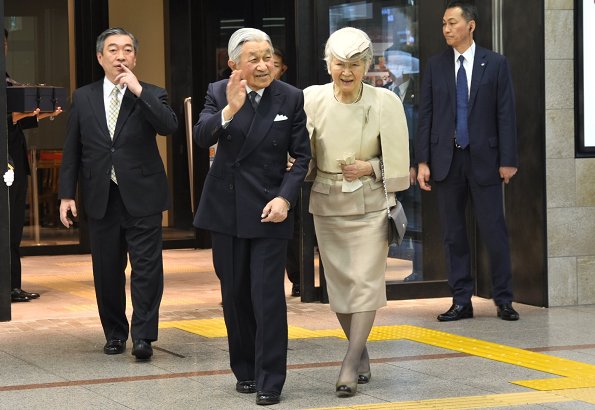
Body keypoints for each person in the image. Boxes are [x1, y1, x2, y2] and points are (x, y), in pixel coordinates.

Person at [193, 28, 310, 406]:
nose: (264, 65)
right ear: (234, 65)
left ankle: (270, 380)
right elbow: (200, 137)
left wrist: (285, 199)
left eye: (268, 57)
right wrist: (229, 109)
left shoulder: (290, 97)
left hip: (269, 211)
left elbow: (302, 157)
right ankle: (244, 370)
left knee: (268, 298)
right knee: (236, 295)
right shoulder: (217, 92)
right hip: (225, 210)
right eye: (254, 59)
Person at [58, 27, 178, 360]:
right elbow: (72, 150)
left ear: (135, 57)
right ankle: (114, 333)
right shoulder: (83, 97)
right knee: (107, 270)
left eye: (127, 50)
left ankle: (143, 336)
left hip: (143, 195)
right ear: (100, 57)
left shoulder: (152, 93)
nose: (120, 56)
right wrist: (67, 195)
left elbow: (169, 126)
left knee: (146, 269)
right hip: (101, 196)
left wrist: (139, 90)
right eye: (112, 50)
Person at [304, 27, 409, 397]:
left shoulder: (385, 102)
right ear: (327, 64)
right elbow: (302, 154)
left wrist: (372, 167)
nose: (346, 72)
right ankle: (359, 349)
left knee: (365, 282)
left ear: (367, 65)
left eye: (354, 65)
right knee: (340, 287)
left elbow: (400, 163)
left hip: (370, 203)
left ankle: (349, 362)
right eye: (338, 64)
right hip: (327, 201)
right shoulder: (311, 99)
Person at [415, 2, 519, 322]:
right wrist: (423, 161)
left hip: (485, 160)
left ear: (470, 26)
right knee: (453, 234)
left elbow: (506, 114)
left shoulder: (495, 63)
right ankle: (461, 300)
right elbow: (427, 116)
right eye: (444, 24)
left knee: (493, 230)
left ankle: (503, 299)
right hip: (446, 161)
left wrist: (508, 160)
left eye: (452, 23)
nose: (446, 29)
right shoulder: (435, 65)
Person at [5, 28, 63, 303]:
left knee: (15, 226)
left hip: (15, 161)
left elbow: (16, 121)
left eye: (4, 43)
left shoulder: (7, 79)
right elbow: (10, 119)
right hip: (6, 164)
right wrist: (15, 117)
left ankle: (12, 286)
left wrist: (41, 114)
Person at [271, 47, 300, 297]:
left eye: (274, 62)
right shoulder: (226, 93)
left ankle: (298, 278)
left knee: (293, 233)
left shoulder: (292, 97)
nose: (267, 67)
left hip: (287, 180)